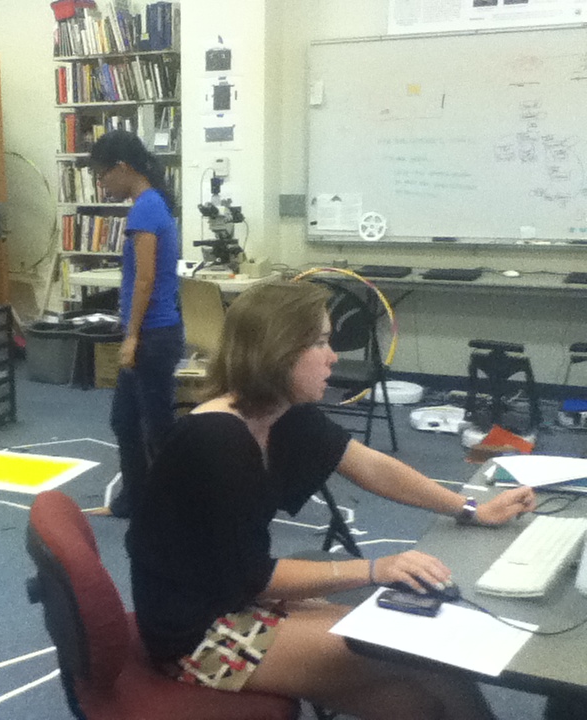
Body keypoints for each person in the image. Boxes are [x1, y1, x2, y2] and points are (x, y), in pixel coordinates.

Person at [126, 281, 536, 719]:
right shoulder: (217, 440)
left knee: (420, 704)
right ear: (279, 352)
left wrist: (471, 508)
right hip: (196, 637)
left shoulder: (282, 415)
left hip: (233, 601)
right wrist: (375, 569)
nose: (333, 356)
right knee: (425, 650)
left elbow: (372, 467)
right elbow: (253, 578)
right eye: (320, 342)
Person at [86, 130, 184, 518]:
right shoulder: (152, 203)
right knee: (125, 421)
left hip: (152, 335)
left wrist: (131, 337)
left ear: (124, 167)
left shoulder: (145, 208)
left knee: (157, 429)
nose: (102, 183)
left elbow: (144, 280)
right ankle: (133, 502)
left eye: (103, 174)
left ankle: (179, 508)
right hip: (152, 333)